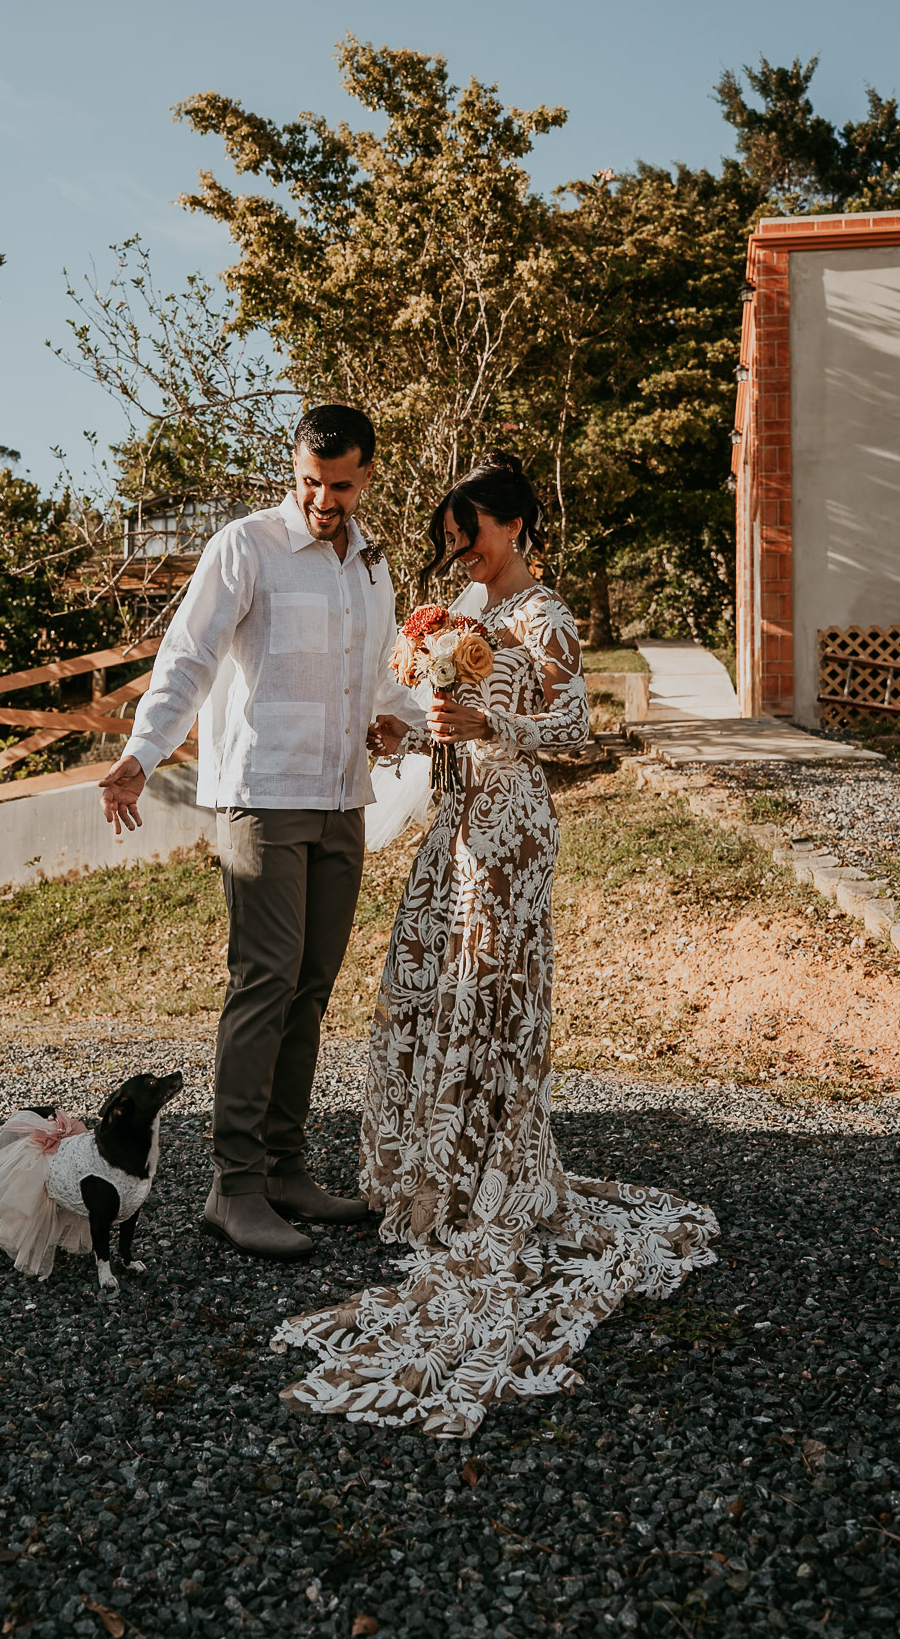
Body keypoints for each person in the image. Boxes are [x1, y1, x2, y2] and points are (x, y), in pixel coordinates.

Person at [274, 452, 719, 1434]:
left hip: (513, 826)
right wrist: (412, 735)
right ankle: (430, 1175)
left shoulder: (546, 615)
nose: (460, 550)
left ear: (514, 526)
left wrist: (490, 719)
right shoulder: (466, 612)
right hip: (457, 819)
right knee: (425, 981)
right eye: (451, 537)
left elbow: (575, 727)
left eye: (469, 532)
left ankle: (491, 1175)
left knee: (488, 993)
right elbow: (456, 724)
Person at [101, 405, 418, 1261]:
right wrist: (141, 754)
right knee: (265, 981)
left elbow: (382, 675)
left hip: (343, 798)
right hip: (262, 799)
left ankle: (283, 1169)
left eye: (340, 485)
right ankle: (232, 1187)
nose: (324, 499)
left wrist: (401, 722)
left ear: (366, 476)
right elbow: (190, 656)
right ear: (295, 470)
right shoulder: (245, 546)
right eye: (311, 482)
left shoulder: (372, 566)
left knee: (311, 987)